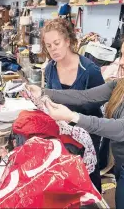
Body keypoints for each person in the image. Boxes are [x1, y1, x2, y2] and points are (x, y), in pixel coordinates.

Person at [27, 31, 124, 209]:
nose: (121, 61)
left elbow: (123, 128)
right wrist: (44, 92)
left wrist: (72, 117)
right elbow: (84, 96)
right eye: (122, 55)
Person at [41, 18, 105, 192]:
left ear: (68, 41)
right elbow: (51, 96)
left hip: (88, 131)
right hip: (63, 130)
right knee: (66, 177)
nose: (53, 49)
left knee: (88, 176)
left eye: (56, 43)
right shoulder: (50, 69)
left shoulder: (90, 70)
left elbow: (98, 100)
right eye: (49, 46)